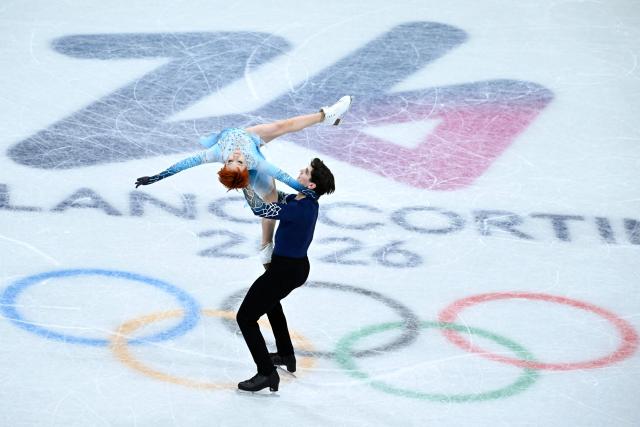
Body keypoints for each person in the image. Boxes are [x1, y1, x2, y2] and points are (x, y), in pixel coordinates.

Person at [134, 96, 352, 267]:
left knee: (281, 126)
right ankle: (266, 245)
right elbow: (284, 176)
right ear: (245, 165)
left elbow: (182, 165)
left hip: (249, 136)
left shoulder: (216, 152)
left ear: (225, 162)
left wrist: (154, 177)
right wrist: (310, 193)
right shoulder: (254, 161)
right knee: (269, 201)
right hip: (253, 152)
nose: (237, 155)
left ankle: (327, 115)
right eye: (238, 160)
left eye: (232, 160)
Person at [236, 158, 335, 392]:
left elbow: (261, 209)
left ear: (311, 185)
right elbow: (276, 194)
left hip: (285, 271)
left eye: (305, 172)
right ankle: (285, 354)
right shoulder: (302, 200)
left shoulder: (300, 209)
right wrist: (257, 178)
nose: (299, 171)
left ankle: (266, 373)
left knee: (246, 318)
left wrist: (243, 185)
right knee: (271, 304)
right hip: (293, 267)